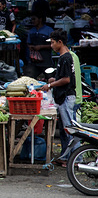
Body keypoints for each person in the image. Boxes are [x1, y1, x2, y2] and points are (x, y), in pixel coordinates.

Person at [40, 30, 79, 166]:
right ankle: (69, 157)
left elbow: (67, 79)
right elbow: (63, 77)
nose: (51, 46)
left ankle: (77, 159)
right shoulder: (65, 57)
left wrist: (50, 85)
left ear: (60, 42)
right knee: (67, 129)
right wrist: (54, 79)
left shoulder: (65, 58)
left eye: (52, 42)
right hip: (64, 97)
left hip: (67, 97)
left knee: (70, 129)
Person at [24, 11, 54, 79]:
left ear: (40, 19)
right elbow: (28, 43)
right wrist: (31, 47)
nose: (32, 21)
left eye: (34, 19)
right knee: (29, 78)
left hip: (46, 62)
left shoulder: (49, 30)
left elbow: (53, 45)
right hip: (34, 62)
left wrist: (40, 47)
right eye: (32, 19)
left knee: (51, 79)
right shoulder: (31, 31)